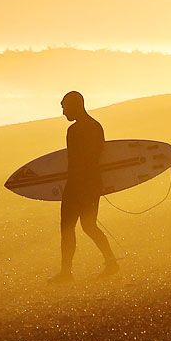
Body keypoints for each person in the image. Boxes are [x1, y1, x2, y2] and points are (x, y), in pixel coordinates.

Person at [52, 91, 118, 282]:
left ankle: (66, 273)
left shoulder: (76, 130)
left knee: (68, 228)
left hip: (79, 185)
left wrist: (73, 186)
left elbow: (77, 161)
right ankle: (111, 262)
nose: (63, 112)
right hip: (92, 184)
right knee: (88, 226)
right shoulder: (96, 126)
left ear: (76, 105)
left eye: (64, 107)